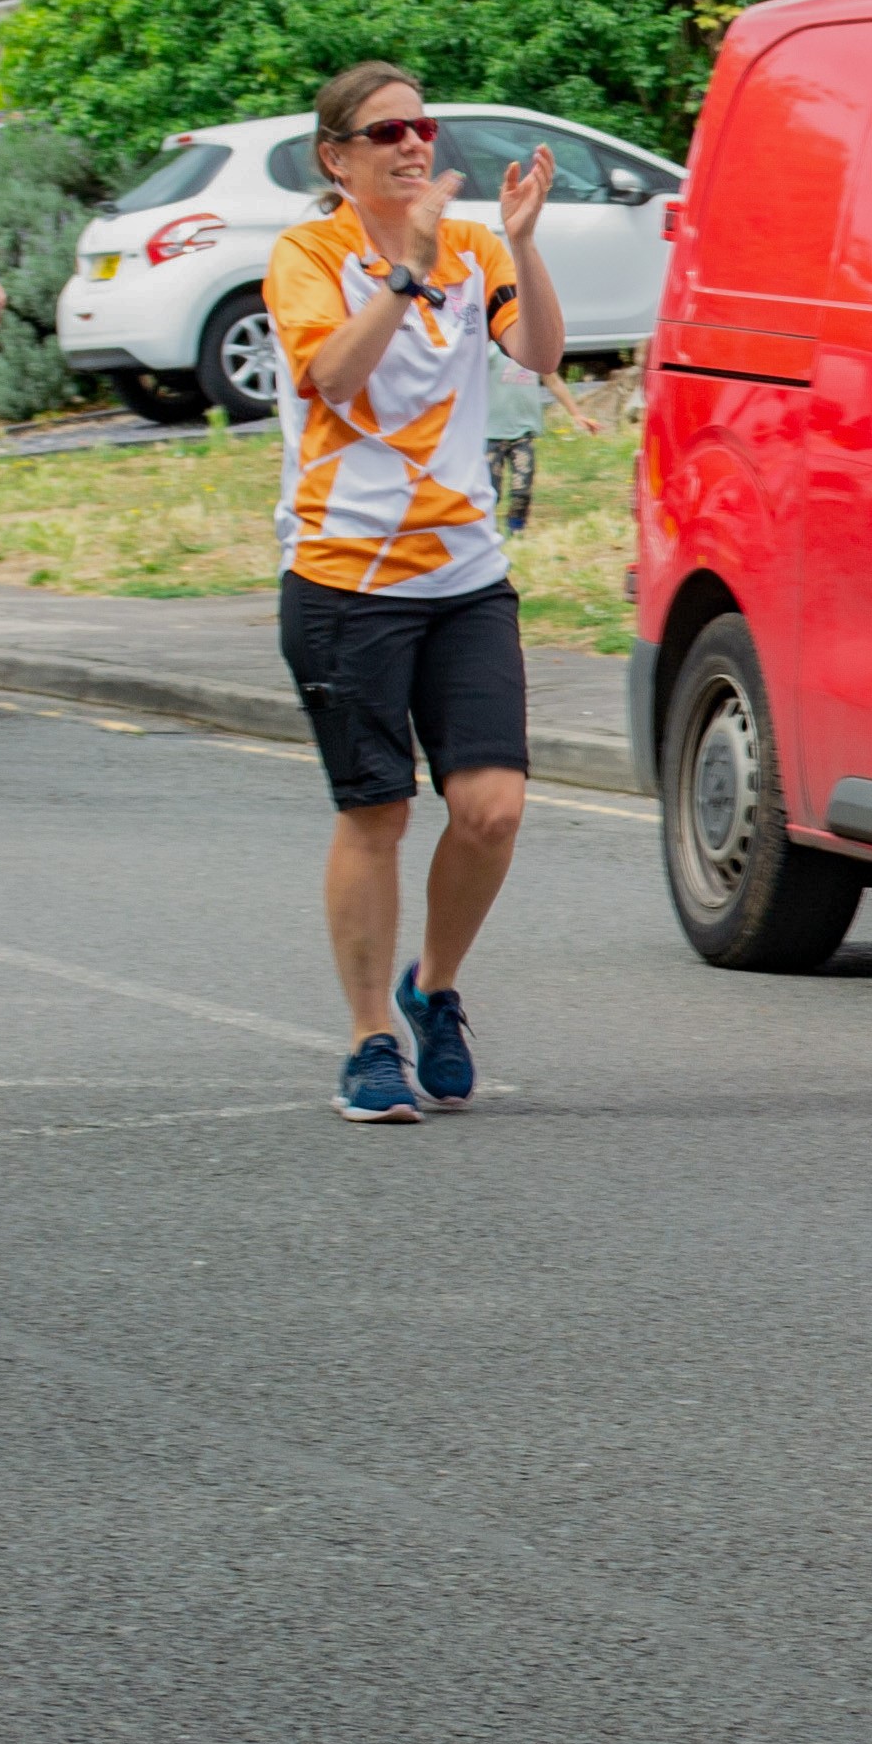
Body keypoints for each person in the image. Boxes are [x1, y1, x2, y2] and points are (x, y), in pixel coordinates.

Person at [270, 63, 566, 1122]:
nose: (410, 143)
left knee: (491, 808)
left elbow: (536, 350)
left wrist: (520, 246)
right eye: (385, 130)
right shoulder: (310, 256)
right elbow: (336, 378)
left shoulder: (475, 248)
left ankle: (432, 986)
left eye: (421, 126)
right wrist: (405, 274)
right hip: (346, 578)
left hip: (466, 577)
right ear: (337, 157)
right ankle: (368, 1041)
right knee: (380, 810)